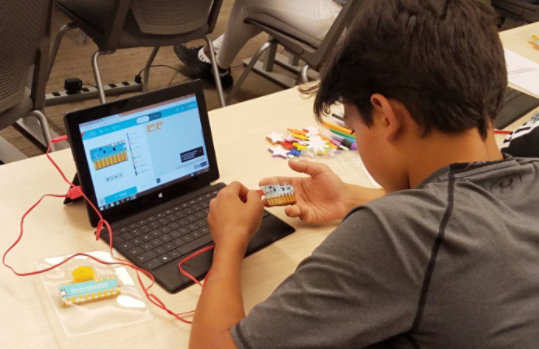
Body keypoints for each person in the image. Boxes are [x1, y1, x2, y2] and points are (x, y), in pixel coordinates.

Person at [189, 0, 539, 348]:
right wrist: (349, 197)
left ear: (385, 116)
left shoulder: (399, 233)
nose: (356, 136)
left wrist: (231, 239)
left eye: (353, 128)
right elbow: (466, 209)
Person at [174, 0, 346, 88]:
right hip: (351, 18)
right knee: (259, 6)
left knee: (248, 3)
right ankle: (213, 57)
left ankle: (217, 66)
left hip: (341, 21)